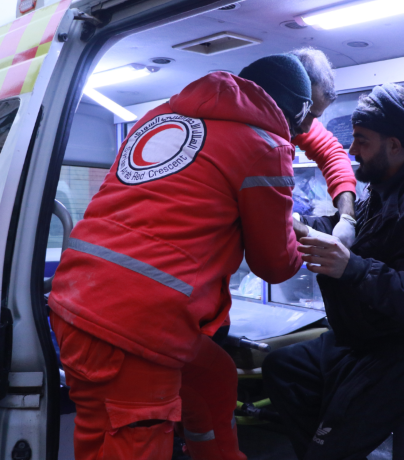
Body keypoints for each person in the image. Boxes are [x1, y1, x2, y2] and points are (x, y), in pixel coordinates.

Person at [48, 54, 313, 460]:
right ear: (300, 110)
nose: (304, 133)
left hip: (76, 299)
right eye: (307, 121)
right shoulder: (265, 145)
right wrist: (300, 231)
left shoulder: (159, 118)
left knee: (212, 378)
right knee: (132, 441)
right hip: (139, 327)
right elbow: (274, 264)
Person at [262, 83, 404, 460]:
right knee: (284, 368)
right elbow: (346, 230)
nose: (352, 150)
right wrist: (301, 224)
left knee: (328, 450)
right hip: (354, 338)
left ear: (394, 145)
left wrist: (352, 268)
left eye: (361, 141)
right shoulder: (381, 188)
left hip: (392, 353)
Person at [289, 47, 357, 247]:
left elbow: (332, 155)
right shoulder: (249, 134)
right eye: (307, 114)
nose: (307, 127)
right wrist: (315, 236)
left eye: (316, 116)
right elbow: (263, 213)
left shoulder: (299, 121)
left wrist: (347, 217)